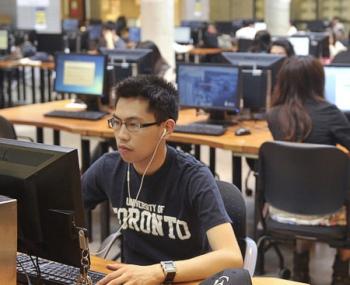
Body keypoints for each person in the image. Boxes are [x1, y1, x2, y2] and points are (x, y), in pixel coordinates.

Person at [82, 76, 243, 285]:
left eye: (134, 125)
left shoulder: (194, 177)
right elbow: (61, 208)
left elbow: (231, 257)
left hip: (182, 280)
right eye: (116, 122)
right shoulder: (109, 167)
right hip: (131, 280)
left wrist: (158, 272)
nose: (121, 135)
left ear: (166, 128)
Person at [267, 56, 350, 285]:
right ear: (317, 81)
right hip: (328, 210)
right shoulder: (331, 113)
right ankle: (342, 269)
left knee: (302, 181)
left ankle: (300, 265)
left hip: (283, 207)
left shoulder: (274, 116)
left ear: (283, 82)